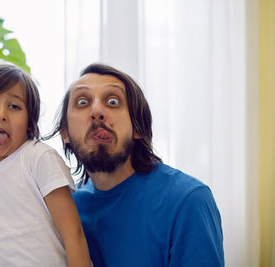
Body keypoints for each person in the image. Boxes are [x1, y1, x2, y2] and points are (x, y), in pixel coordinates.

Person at [49, 63, 224, 266]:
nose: (97, 111)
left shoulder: (188, 200)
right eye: (82, 102)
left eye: (113, 101)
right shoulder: (67, 208)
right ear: (65, 132)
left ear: (137, 128)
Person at [0, 63, 90, 267]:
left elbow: (74, 235)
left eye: (14, 106)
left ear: (29, 123)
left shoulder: (39, 159)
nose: (1, 114)